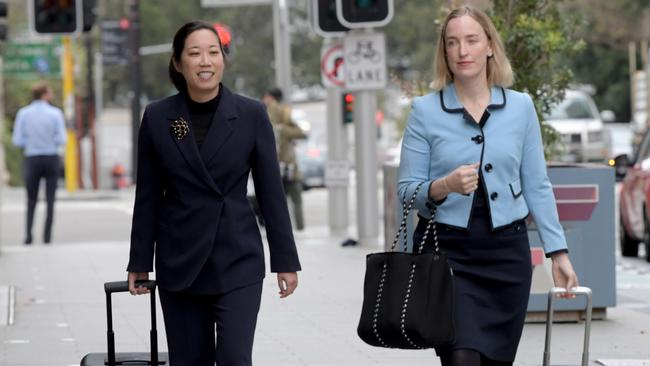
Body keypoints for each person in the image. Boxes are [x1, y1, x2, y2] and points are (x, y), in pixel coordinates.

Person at [397, 6, 579, 365]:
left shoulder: (521, 107)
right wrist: (443, 185)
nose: (463, 51)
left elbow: (537, 185)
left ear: (490, 46)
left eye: (471, 40)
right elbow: (406, 190)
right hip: (447, 256)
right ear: (445, 53)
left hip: (506, 258)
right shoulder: (424, 111)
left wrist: (558, 253)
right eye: (453, 43)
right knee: (462, 357)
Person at [126, 21, 301, 365]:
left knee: (236, 358)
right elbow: (147, 195)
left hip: (237, 257)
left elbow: (270, 193)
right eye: (194, 53)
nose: (205, 61)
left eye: (213, 52)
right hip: (180, 259)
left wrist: (285, 261)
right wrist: (139, 261)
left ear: (223, 59)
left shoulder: (251, 114)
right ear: (178, 62)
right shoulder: (161, 117)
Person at [12, 82, 66, 245]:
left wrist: (32, 142)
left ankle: (28, 235)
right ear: (44, 94)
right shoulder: (55, 113)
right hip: (50, 157)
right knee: (50, 199)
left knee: (31, 199)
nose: (52, 95)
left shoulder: (23, 113)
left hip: (32, 158)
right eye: (50, 92)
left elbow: (17, 140)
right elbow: (61, 139)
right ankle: (47, 237)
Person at [262, 87, 307, 230]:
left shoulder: (270, 111)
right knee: (295, 200)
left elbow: (300, 133)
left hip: (279, 167)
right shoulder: (283, 117)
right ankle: (298, 227)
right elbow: (300, 132)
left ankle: (282, 227)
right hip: (287, 167)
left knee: (277, 201)